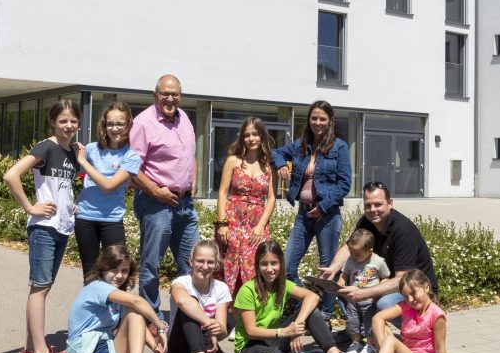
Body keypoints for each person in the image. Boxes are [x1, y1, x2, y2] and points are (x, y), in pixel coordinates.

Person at [3, 100, 81, 353]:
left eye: (73, 121)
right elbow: (11, 175)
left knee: (43, 287)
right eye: (62, 121)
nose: (68, 126)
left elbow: (62, 187)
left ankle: (27, 350)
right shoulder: (45, 147)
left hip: (61, 226)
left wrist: (73, 204)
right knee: (40, 287)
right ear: (53, 122)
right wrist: (30, 207)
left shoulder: (72, 151)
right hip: (43, 227)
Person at [233, 240, 363, 353]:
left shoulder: (282, 285)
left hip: (274, 339)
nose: (269, 269)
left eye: (274, 263)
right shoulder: (248, 290)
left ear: (281, 264)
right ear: (257, 265)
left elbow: (312, 296)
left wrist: (297, 326)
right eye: (264, 264)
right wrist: (286, 332)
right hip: (248, 345)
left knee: (311, 310)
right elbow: (251, 331)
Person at [166, 240, 272, 353]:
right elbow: (181, 300)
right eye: (200, 261)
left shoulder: (221, 288)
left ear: (216, 264)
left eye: (210, 262)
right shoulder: (182, 282)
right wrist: (208, 322)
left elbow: (222, 330)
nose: (205, 266)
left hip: (207, 344)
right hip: (180, 349)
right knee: (191, 304)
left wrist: (217, 331)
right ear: (191, 261)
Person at [272, 100, 351, 318]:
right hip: (304, 214)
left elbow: (344, 183)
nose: (317, 122)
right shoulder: (300, 145)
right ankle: (308, 306)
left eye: (322, 119)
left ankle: (325, 314)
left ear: (330, 121)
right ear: (309, 119)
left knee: (327, 269)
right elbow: (276, 152)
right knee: (287, 268)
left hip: (327, 216)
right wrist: (280, 164)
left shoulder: (339, 147)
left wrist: (323, 206)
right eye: (314, 118)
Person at [321, 181, 437, 326]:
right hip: (385, 279)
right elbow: (348, 248)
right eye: (368, 205)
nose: (372, 209)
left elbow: (403, 279)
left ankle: (419, 332)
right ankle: (357, 330)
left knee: (385, 303)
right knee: (340, 277)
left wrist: (364, 293)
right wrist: (333, 269)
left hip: (415, 291)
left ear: (390, 203)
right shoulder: (366, 222)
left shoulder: (403, 230)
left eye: (378, 204)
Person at [130, 74, 200, 317]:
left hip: (185, 203)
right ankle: (151, 317)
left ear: (181, 96)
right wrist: (156, 191)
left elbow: (191, 154)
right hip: (155, 203)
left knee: (194, 263)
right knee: (151, 265)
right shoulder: (143, 123)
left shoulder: (185, 119)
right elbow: (131, 168)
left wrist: (194, 179)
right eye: (165, 94)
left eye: (175, 94)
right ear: (155, 95)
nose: (170, 98)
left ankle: (188, 316)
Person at [65, 246, 169, 353]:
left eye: (125, 271)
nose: (119, 275)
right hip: (87, 352)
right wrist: (160, 328)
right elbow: (137, 301)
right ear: (103, 268)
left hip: (111, 347)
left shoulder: (117, 294)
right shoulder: (96, 287)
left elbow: (136, 321)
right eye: (114, 269)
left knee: (134, 313)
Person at [342, 270, 465, 353]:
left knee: (391, 340)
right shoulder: (407, 306)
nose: (410, 300)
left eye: (413, 293)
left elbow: (440, 349)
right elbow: (378, 318)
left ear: (426, 287)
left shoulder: (437, 315)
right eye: (406, 296)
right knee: (379, 323)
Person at [73, 102, 142, 277]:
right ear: (104, 125)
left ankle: (115, 305)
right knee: (90, 273)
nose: (115, 128)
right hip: (85, 219)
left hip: (111, 220)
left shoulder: (131, 156)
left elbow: (109, 186)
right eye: (110, 123)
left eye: (120, 123)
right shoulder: (90, 150)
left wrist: (83, 162)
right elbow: (67, 177)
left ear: (128, 125)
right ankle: (93, 304)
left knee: (117, 273)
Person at [215, 117, 276, 297]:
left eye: (255, 134)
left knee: (255, 266)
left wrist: (260, 227)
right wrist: (222, 223)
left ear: (262, 136)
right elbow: (222, 193)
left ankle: (250, 312)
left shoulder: (269, 165)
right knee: (228, 265)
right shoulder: (233, 161)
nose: (251, 139)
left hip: (256, 225)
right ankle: (225, 312)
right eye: (247, 135)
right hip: (232, 221)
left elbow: (271, 198)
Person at [338, 228, 391, 353]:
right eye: (350, 251)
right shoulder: (350, 260)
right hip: (353, 300)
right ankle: (355, 342)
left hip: (370, 301)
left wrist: (379, 292)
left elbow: (386, 277)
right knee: (352, 322)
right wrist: (340, 283)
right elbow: (345, 274)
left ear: (369, 251)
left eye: (357, 254)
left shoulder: (378, 262)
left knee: (370, 323)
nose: (353, 255)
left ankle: (371, 345)